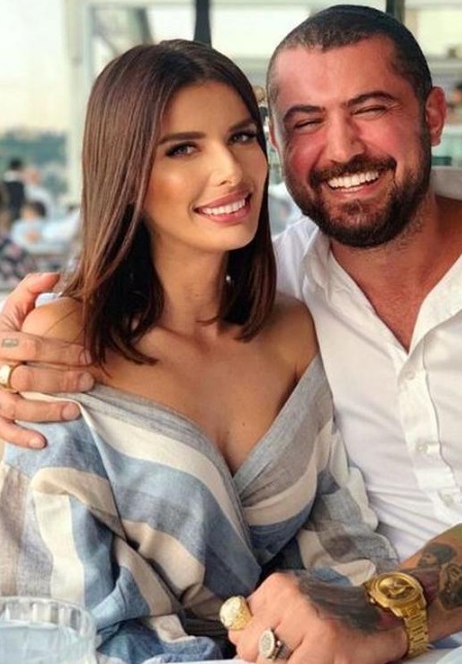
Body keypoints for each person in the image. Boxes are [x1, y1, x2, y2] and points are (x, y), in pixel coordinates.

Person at [0, 4, 462, 663]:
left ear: (433, 115)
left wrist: (384, 613)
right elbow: (54, 605)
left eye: (370, 108)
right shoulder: (279, 291)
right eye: (306, 122)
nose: (343, 148)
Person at [0, 38, 397, 663]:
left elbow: (341, 544)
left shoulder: (292, 328)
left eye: (242, 137)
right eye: (183, 148)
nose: (231, 170)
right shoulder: (63, 340)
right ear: (127, 174)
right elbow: (57, 610)